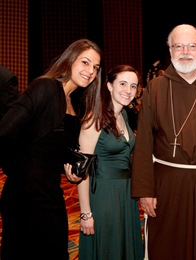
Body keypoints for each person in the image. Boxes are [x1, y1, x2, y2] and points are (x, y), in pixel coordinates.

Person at [131, 24, 196, 260]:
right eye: (178, 46)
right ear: (170, 50)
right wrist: (144, 191)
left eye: (192, 46)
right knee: (167, 244)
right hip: (166, 182)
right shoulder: (156, 87)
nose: (185, 51)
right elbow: (144, 142)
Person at [0, 39, 103, 260]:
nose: (90, 71)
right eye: (85, 62)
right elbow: (6, 132)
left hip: (51, 195)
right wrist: (18, 168)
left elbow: (51, 150)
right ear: (70, 59)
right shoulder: (45, 87)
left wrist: (71, 171)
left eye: (95, 67)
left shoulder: (76, 103)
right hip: (24, 197)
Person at [73, 64, 144, 260]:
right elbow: (82, 171)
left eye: (133, 86)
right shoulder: (94, 118)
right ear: (109, 86)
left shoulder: (124, 115)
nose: (128, 91)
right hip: (103, 196)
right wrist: (86, 213)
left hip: (125, 195)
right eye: (122, 84)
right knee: (107, 249)